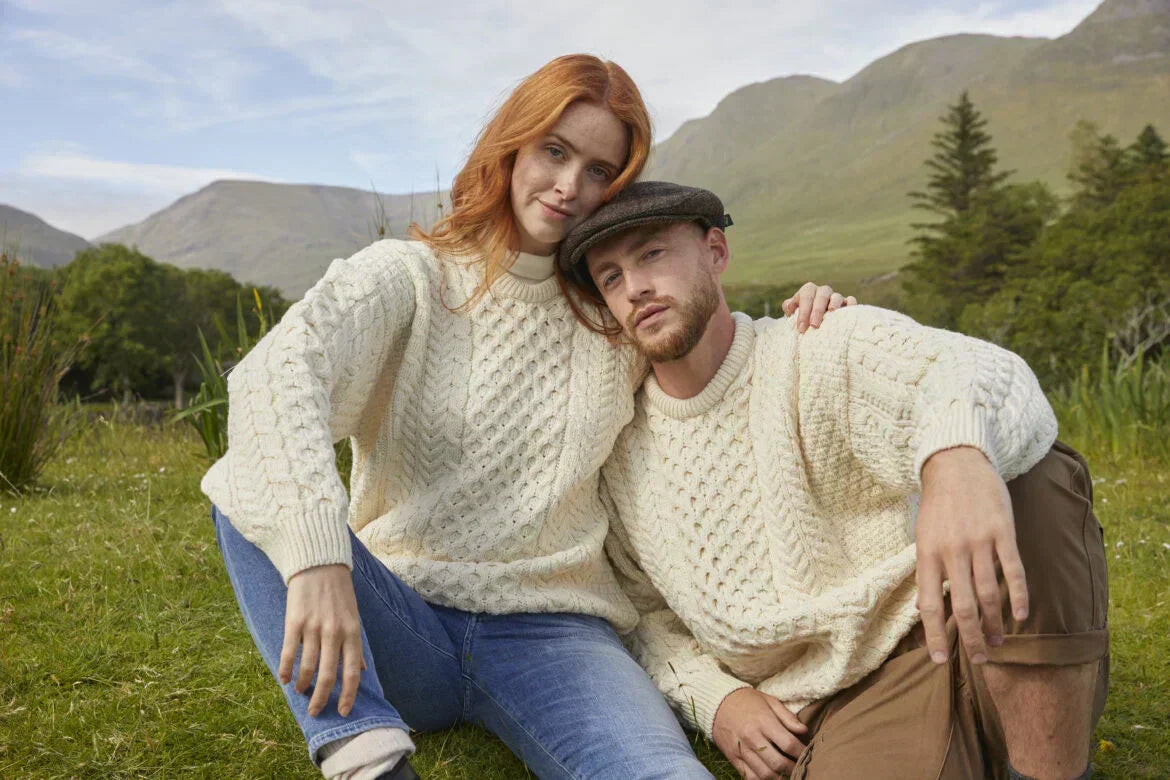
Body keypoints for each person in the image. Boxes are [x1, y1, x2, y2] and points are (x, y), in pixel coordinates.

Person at [202, 56, 847, 780]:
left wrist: (810, 325)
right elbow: (276, 375)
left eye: (601, 170)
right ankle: (365, 757)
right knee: (245, 483)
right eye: (555, 151)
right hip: (401, 620)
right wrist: (319, 560)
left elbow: (718, 350)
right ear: (512, 144)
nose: (571, 186)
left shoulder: (616, 310)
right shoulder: (407, 277)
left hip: (558, 638)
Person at [557, 181, 1110, 780]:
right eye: (610, 277)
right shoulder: (617, 453)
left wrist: (954, 459)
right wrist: (716, 700)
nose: (635, 286)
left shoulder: (818, 340)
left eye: (651, 254)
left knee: (1032, 472)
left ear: (715, 252)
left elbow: (971, 370)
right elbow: (641, 616)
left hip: (965, 625)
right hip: (846, 704)